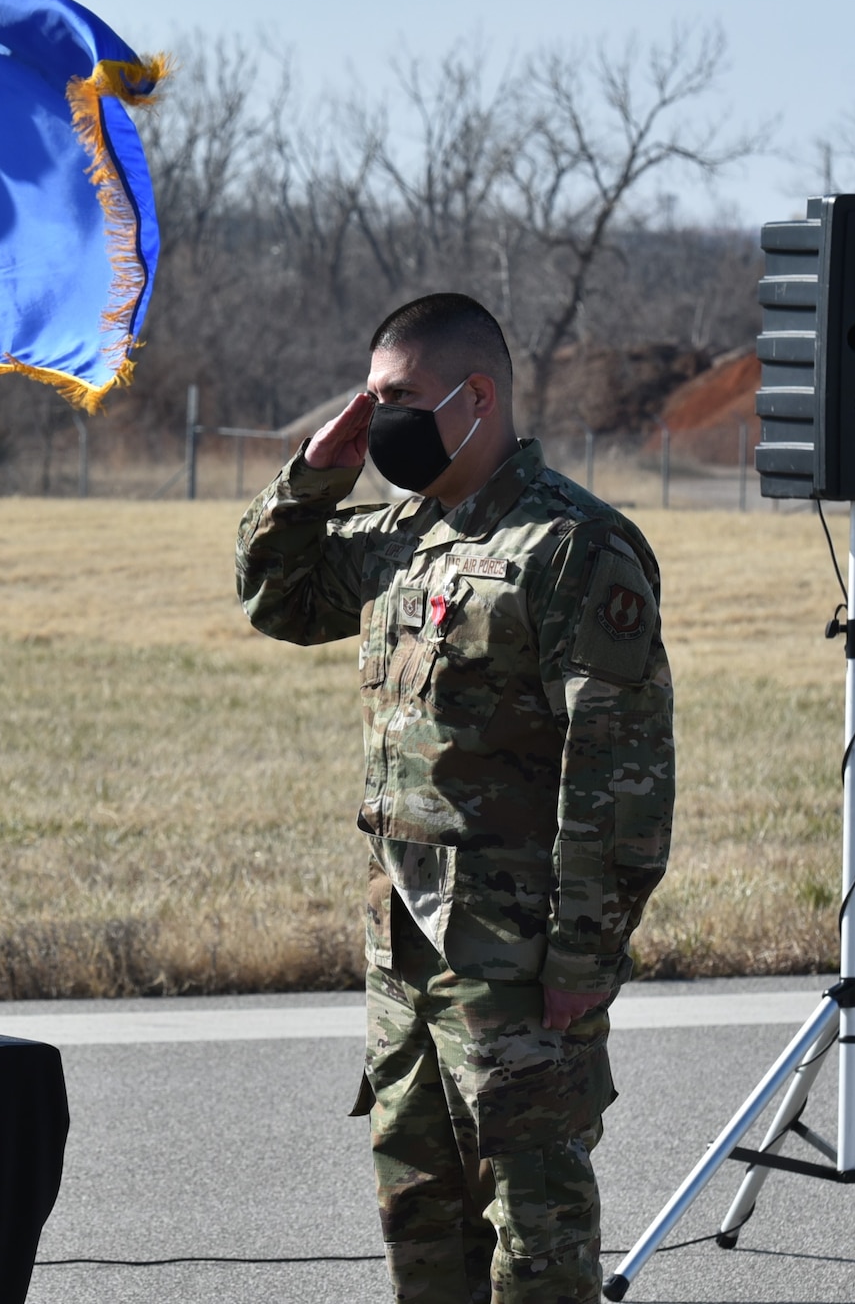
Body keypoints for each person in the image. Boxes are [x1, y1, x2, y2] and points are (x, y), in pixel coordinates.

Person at [235, 293, 673, 1303]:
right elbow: (272, 593)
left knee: (534, 1217)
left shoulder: (570, 546)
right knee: (418, 1206)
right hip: (404, 942)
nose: (378, 414)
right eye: (371, 395)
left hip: (512, 952)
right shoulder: (403, 535)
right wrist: (315, 472)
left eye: (399, 397)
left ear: (477, 397)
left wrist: (580, 960)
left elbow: (619, 779)